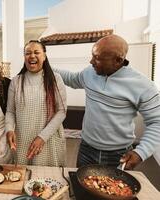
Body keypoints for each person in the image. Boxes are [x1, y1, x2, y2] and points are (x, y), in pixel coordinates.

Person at [53, 34, 160, 170]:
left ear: (118, 60)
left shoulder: (144, 86)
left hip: (118, 155)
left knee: (113, 190)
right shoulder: (90, 73)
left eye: (97, 58)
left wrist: (141, 152)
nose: (91, 62)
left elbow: (157, 122)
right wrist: (45, 65)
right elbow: (72, 78)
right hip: (86, 149)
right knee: (81, 188)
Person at [5, 40, 67, 167]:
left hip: (48, 139)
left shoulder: (55, 79)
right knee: (22, 178)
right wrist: (9, 129)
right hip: (22, 139)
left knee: (46, 180)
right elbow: (10, 111)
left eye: (36, 52)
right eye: (28, 53)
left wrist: (42, 137)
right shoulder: (16, 81)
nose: (32, 56)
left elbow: (61, 111)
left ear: (44, 56)